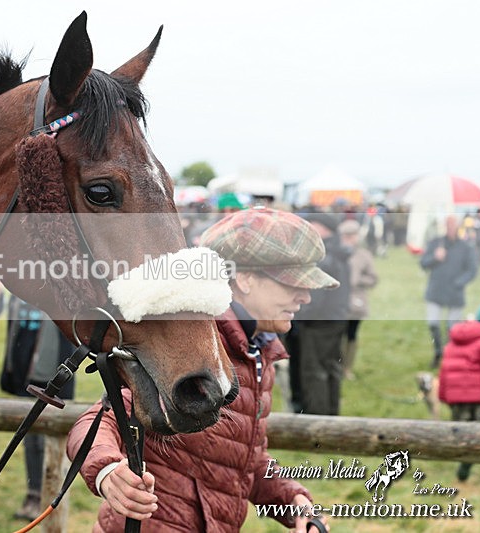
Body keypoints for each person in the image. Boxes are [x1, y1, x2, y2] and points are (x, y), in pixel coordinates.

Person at [67, 207, 335, 532]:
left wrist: (293, 501)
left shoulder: (258, 351)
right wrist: (108, 472)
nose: (305, 296)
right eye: (293, 283)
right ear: (246, 279)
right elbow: (98, 422)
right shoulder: (191, 349)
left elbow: (241, 459)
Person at [0, 296, 75, 521]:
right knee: (30, 439)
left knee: (46, 442)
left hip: (50, 377)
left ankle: (47, 499)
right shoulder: (18, 292)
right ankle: (33, 495)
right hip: (24, 376)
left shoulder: (58, 292)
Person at [286, 211, 351, 415]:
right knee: (331, 368)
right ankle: (332, 415)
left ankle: (317, 421)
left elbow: (315, 297)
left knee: (314, 371)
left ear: (324, 229)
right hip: (335, 319)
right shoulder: (339, 252)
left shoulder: (324, 258)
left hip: (317, 323)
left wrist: (297, 315)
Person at [438, 301, 480, 481]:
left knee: (467, 435)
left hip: (457, 399)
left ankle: (464, 467)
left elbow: (444, 370)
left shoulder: (455, 340)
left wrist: (443, 396)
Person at [420, 215, 478, 368]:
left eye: (453, 224)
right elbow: (423, 263)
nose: (450, 227)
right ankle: (438, 351)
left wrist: (459, 283)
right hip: (436, 291)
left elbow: (472, 270)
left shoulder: (466, 247)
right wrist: (435, 257)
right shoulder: (436, 243)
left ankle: (450, 355)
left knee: (453, 328)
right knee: (433, 323)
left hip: (455, 293)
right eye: (448, 224)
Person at [339, 219, 379, 380]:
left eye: (352, 235)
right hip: (337, 302)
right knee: (336, 334)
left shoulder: (364, 255)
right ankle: (337, 364)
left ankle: (347, 367)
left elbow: (373, 278)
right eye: (346, 235)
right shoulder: (336, 253)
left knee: (351, 334)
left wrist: (358, 281)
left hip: (356, 302)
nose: (350, 239)